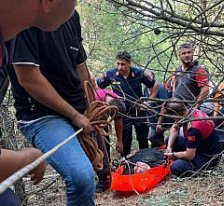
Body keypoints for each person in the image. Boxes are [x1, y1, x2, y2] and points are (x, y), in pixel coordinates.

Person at [7, 11, 95, 205]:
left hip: (79, 110)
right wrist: (74, 115)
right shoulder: (26, 15)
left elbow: (80, 64)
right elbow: (28, 77)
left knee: (96, 173)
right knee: (80, 176)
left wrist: (91, 105)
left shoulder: (72, 15)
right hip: (42, 115)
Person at [97, 51, 159, 157]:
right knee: (125, 140)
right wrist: (107, 100)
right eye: (118, 64)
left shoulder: (139, 73)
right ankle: (125, 162)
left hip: (139, 110)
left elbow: (155, 84)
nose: (120, 67)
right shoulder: (110, 74)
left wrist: (148, 101)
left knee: (143, 137)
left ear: (129, 63)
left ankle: (144, 160)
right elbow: (98, 86)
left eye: (123, 64)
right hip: (122, 113)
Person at [157, 43, 209, 132]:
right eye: (184, 53)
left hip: (189, 111)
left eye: (189, 52)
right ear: (179, 55)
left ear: (192, 54)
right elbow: (173, 88)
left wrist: (195, 107)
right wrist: (159, 123)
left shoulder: (198, 70)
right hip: (175, 109)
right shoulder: (176, 71)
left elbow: (205, 90)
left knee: (187, 136)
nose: (187, 55)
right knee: (157, 135)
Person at [163, 98, 222, 177]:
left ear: (176, 114)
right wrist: (169, 146)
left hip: (209, 155)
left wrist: (173, 154)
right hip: (200, 145)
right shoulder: (189, 111)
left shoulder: (193, 128)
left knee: (175, 167)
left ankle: (198, 168)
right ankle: (184, 161)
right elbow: (174, 127)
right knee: (169, 140)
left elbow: (190, 155)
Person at [143, 69, 172, 148]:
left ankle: (167, 148)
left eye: (149, 77)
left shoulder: (160, 88)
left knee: (152, 137)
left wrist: (159, 123)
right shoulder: (145, 88)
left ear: (153, 77)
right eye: (145, 78)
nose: (147, 79)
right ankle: (162, 152)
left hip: (165, 119)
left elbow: (165, 106)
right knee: (155, 142)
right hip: (153, 120)